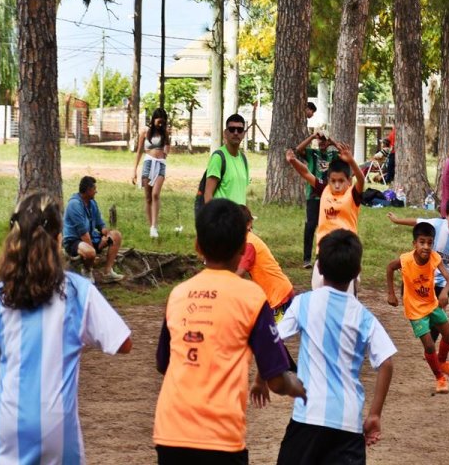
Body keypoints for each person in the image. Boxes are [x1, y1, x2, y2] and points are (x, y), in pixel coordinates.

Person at [0, 192, 132, 464]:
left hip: (10, 420)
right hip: (57, 425)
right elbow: (123, 343)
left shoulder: (1, 295)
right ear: (58, 240)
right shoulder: (78, 291)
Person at [153, 198, 305, 464]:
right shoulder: (252, 297)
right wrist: (302, 389)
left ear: (198, 246)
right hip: (220, 437)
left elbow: (163, 364)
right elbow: (277, 380)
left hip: (170, 433)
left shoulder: (177, 295)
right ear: (243, 247)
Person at [269, 229, 395, 464]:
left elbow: (273, 340)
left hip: (308, 415)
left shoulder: (303, 303)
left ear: (319, 268)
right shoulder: (363, 316)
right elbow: (386, 363)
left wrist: (274, 377)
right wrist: (374, 414)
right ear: (357, 272)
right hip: (348, 423)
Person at [386, 221, 449, 394]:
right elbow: (390, 267)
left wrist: (444, 293)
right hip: (415, 311)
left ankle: (442, 361)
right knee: (429, 345)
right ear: (414, 243)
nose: (426, 247)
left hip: (432, 305)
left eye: (429, 243)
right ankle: (439, 377)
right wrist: (391, 294)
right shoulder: (405, 260)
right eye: (422, 242)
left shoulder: (434, 257)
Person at [285, 142, 365, 294]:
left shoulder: (352, 195)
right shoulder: (325, 190)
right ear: (328, 180)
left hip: (347, 252)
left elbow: (361, 180)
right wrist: (293, 161)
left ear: (349, 181)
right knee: (319, 294)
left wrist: (351, 161)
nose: (336, 185)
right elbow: (306, 173)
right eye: (333, 181)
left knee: (345, 297)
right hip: (324, 251)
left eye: (341, 181)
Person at [237, 205, 294, 322]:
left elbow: (238, 273)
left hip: (279, 297)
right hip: (277, 294)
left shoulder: (249, 244)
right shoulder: (246, 241)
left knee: (274, 332)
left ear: (248, 224)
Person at [62, 176, 124, 282]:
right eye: (94, 189)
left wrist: (105, 233)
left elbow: (100, 223)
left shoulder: (92, 203)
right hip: (75, 241)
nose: (96, 191)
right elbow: (83, 233)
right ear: (88, 190)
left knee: (116, 235)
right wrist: (95, 251)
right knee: (90, 252)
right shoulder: (74, 205)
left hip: (90, 237)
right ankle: (87, 271)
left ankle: (108, 272)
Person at [295, 130, 339, 268]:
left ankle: (323, 257)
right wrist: (312, 136)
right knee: (310, 226)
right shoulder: (312, 153)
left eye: (324, 141)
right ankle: (307, 259)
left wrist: (332, 141)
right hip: (313, 196)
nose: (322, 143)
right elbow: (298, 150)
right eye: (320, 140)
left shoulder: (333, 155)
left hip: (329, 196)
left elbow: (345, 154)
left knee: (328, 227)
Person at [132, 107, 171, 238]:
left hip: (160, 164)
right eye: (159, 121)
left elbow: (167, 148)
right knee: (148, 197)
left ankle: (154, 226)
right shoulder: (145, 132)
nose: (160, 124)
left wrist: (165, 152)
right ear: (153, 120)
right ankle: (151, 228)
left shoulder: (165, 133)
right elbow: (139, 151)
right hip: (148, 163)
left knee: (155, 194)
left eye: (163, 122)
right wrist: (134, 170)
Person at [203, 114, 251, 205]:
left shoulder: (243, 159)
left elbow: (240, 193)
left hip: (238, 214)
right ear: (225, 133)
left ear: (244, 134)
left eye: (239, 130)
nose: (236, 133)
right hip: (222, 214)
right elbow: (208, 194)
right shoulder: (218, 157)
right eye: (232, 129)